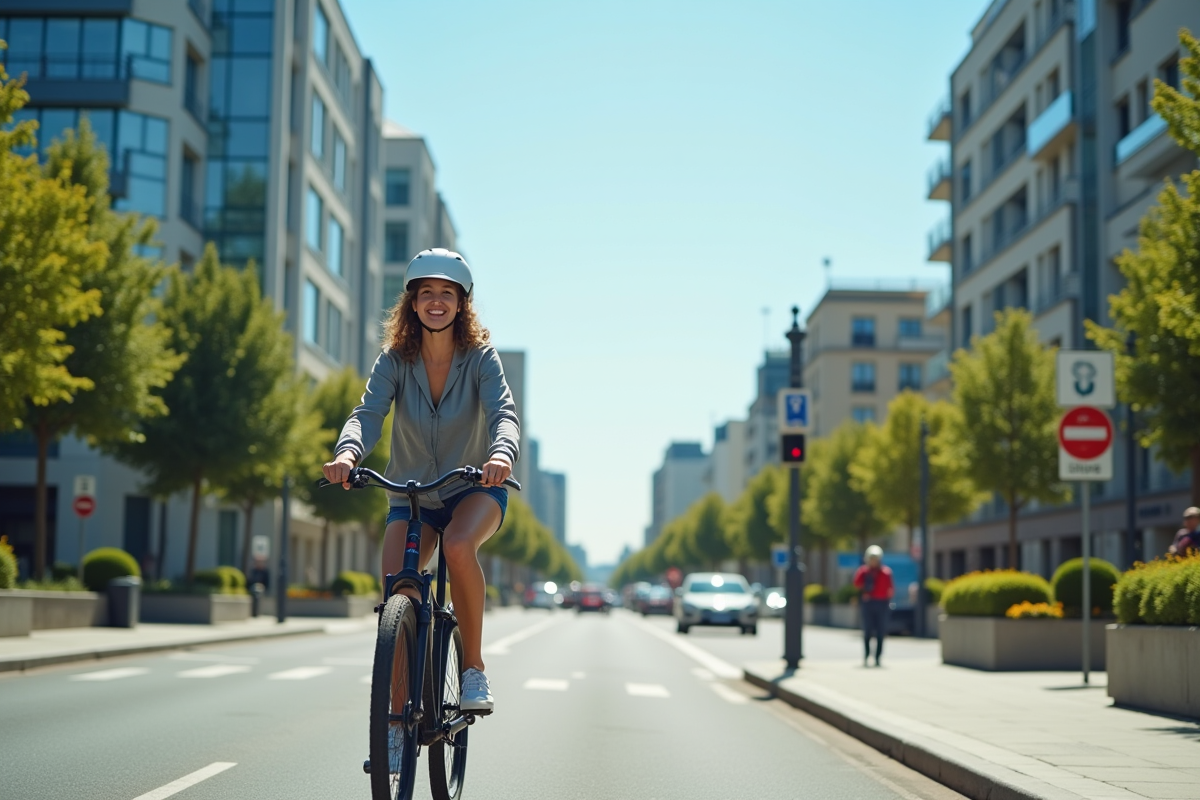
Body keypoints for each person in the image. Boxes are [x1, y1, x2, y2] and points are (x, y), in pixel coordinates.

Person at [322, 249, 519, 714]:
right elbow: (367, 414)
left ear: (460, 304)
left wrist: (500, 454)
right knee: (397, 590)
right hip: (411, 495)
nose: (436, 301)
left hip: (474, 486)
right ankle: (395, 722)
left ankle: (473, 668)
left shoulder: (481, 358)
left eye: (446, 294)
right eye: (426, 292)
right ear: (412, 303)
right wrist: (347, 453)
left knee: (456, 545)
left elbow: (503, 414)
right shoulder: (393, 360)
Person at [853, 545, 894, 667]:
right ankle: (866, 656)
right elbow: (856, 584)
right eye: (871, 559)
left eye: (875, 559)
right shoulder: (863, 571)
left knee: (881, 631)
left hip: (882, 603)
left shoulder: (885, 572)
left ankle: (878, 657)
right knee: (867, 631)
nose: (873, 561)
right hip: (868, 603)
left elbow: (890, 589)